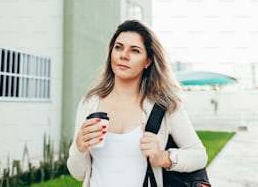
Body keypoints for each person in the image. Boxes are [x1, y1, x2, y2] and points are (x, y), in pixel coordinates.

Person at [67, 20, 208, 187]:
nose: (123, 55)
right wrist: (79, 147)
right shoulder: (90, 103)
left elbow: (199, 156)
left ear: (148, 61)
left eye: (135, 50)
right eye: (118, 47)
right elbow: (78, 173)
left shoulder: (164, 106)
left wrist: (163, 157)